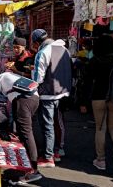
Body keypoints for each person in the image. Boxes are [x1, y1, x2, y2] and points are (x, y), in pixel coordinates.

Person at [80, 34, 113, 173]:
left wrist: (83, 102)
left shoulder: (94, 61)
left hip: (98, 98)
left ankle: (101, 160)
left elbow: (87, 83)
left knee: (100, 129)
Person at [31, 29, 72, 168]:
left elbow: (38, 78)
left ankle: (48, 157)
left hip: (48, 94)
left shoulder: (42, 53)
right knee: (58, 122)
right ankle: (57, 150)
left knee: (47, 125)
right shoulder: (64, 49)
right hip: (63, 92)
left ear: (37, 42)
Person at [0, 72, 41, 184]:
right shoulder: (13, 76)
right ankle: (27, 163)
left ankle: (33, 170)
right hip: (35, 98)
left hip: (23, 100)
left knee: (26, 132)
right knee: (24, 132)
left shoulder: (0, 78)